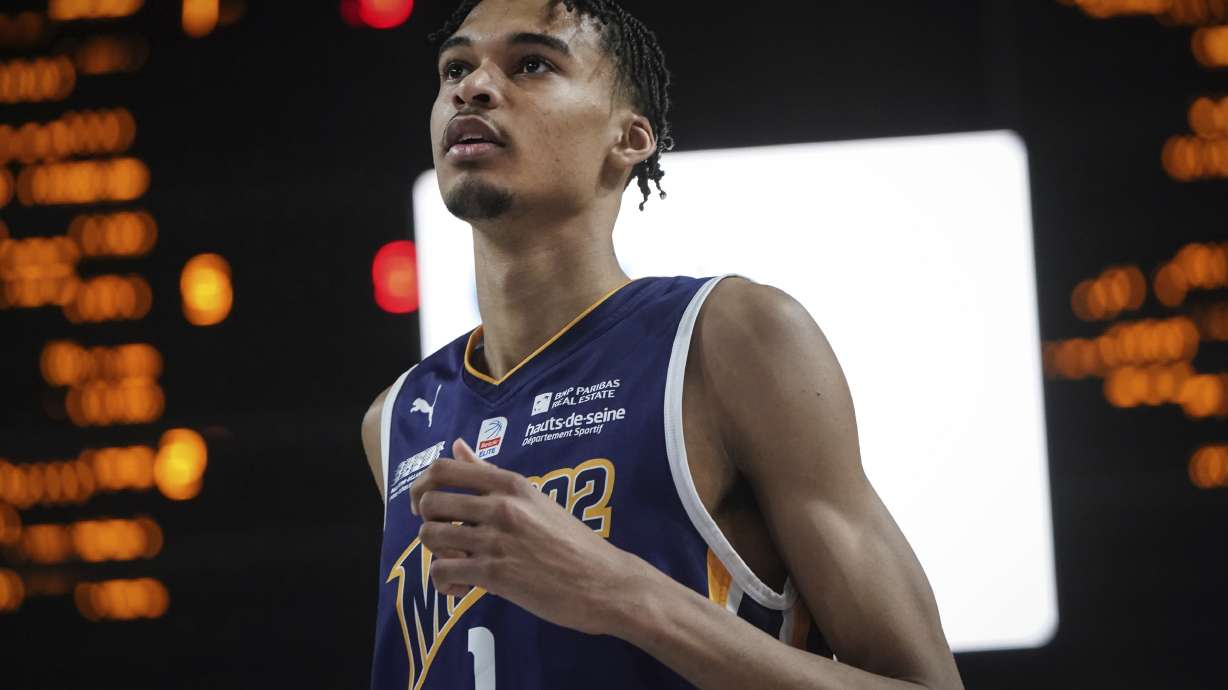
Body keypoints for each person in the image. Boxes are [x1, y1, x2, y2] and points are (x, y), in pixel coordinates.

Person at [361, 1, 964, 688]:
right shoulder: (397, 418)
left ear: (630, 138)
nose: (472, 87)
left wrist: (622, 594)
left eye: (532, 64)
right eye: (455, 69)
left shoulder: (730, 338)